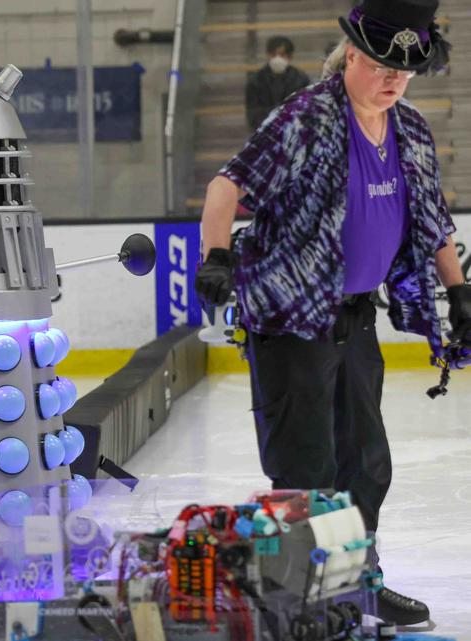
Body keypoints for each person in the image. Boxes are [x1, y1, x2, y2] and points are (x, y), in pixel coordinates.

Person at [195, 1, 467, 626]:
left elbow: (431, 220)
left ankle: (356, 587)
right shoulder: (306, 118)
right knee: (305, 470)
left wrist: (460, 293)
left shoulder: (411, 128)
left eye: (404, 69)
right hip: (292, 322)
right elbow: (226, 186)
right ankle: (297, 603)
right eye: (380, 66)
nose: (393, 78)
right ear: (352, 57)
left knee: (366, 465)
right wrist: (214, 256)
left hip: (354, 320)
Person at [245, 35, 311, 130]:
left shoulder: (301, 79)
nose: (277, 58)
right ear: (267, 55)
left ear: (290, 56)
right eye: (273, 54)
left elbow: (305, 111)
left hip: (293, 133)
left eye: (282, 55)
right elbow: (252, 116)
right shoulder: (255, 81)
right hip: (265, 133)